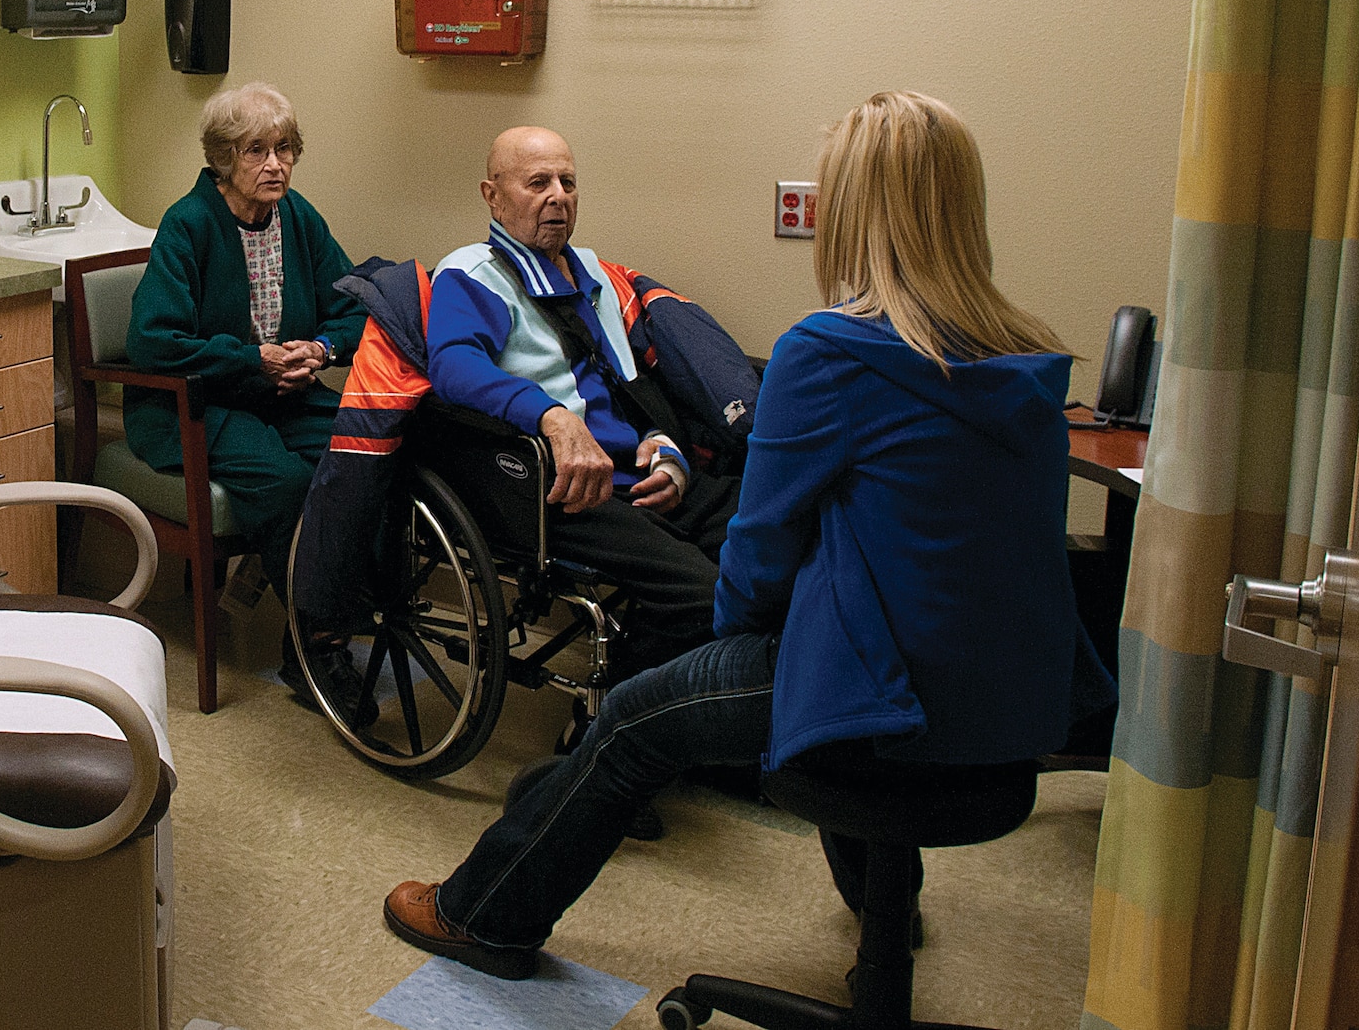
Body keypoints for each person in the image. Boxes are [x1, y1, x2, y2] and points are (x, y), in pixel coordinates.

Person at [382, 91, 1116, 980]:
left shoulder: (833, 353)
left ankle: (484, 917)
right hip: (1010, 703)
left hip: (885, 696)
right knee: (826, 637)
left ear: (854, 213)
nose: (559, 193)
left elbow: (757, 574)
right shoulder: (1032, 364)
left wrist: (730, 634)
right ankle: (888, 908)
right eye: (539, 179)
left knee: (633, 717)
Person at [427, 127, 742, 691]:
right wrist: (552, 416)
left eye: (568, 183)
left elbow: (633, 380)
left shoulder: (594, 273)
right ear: (491, 195)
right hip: (563, 491)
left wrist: (666, 448)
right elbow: (452, 369)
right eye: (537, 182)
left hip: (638, 472)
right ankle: (621, 706)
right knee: (702, 595)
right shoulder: (472, 274)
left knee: (773, 538)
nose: (558, 196)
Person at [125, 81, 370, 705]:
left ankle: (336, 616)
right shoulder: (189, 225)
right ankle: (318, 647)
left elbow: (353, 306)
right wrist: (252, 360)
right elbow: (154, 340)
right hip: (196, 404)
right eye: (256, 149)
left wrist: (319, 350)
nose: (275, 164)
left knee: (364, 454)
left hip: (280, 394)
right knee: (287, 483)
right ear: (222, 158)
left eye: (285, 148)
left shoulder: (298, 218)